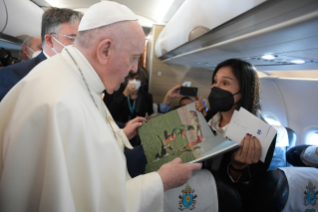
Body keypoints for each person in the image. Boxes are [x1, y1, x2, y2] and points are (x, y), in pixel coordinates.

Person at [0, 2, 202, 211]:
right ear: (105, 50)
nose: (134, 68)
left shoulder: (75, 78)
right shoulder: (59, 101)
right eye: (133, 58)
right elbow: (87, 205)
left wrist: (120, 135)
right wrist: (160, 181)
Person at [195, 58, 276, 211]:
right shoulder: (208, 117)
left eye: (225, 83)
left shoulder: (262, 135)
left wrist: (238, 168)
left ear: (245, 89)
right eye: (215, 81)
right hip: (196, 193)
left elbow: (250, 193)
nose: (215, 88)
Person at [0, 7, 83, 102]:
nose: (81, 45)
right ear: (49, 40)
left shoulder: (78, 73)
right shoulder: (13, 75)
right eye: (73, 39)